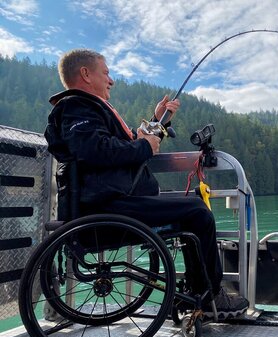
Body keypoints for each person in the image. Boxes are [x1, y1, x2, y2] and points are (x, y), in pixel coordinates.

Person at [44, 48, 248, 319]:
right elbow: (96, 150)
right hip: (108, 209)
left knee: (194, 208)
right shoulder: (76, 107)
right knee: (198, 213)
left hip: (109, 203)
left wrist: (158, 120)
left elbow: (121, 144)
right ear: (85, 74)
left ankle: (198, 292)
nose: (111, 80)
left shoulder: (85, 110)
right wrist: (143, 146)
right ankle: (210, 296)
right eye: (105, 72)